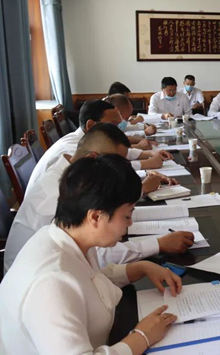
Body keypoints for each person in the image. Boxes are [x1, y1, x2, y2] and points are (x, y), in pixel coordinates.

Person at [0, 154, 181, 354]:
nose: (130, 223)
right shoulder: (50, 282)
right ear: (96, 216)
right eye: (127, 215)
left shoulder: (65, 236)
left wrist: (140, 268)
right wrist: (142, 337)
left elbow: (88, 279)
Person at [4, 123, 194, 272]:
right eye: (115, 164)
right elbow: (100, 255)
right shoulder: (57, 194)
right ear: (93, 159)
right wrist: (158, 244)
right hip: (42, 280)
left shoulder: (73, 177)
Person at [28, 100, 169, 188]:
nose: (119, 129)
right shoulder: (72, 150)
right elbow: (97, 191)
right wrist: (141, 187)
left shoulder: (86, 142)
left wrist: (148, 156)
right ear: (91, 125)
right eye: (114, 124)